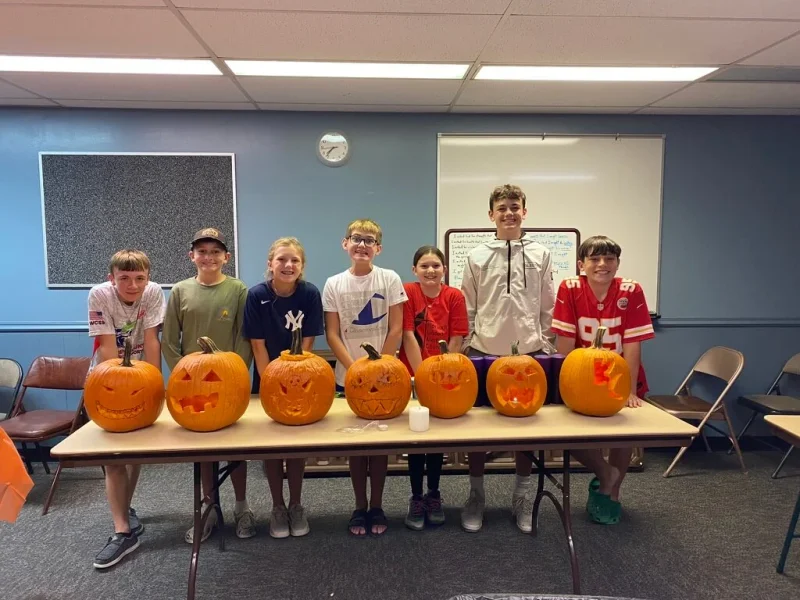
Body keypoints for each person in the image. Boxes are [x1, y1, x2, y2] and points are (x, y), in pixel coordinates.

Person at [460, 184, 556, 533]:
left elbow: (548, 302)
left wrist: (544, 341)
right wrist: (469, 344)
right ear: (491, 215)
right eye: (502, 208)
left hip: (528, 354)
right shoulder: (476, 256)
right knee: (477, 433)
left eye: (515, 207)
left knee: (525, 434)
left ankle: (522, 497)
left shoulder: (542, 253)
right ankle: (476, 496)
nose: (509, 213)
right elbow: (468, 304)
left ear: (524, 212)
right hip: (484, 352)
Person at [552, 235, 654, 525]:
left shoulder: (631, 290)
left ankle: (613, 491)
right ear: (581, 264)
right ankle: (605, 474)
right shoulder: (570, 288)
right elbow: (565, 342)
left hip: (619, 375)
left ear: (617, 263)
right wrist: (565, 385)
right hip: (581, 377)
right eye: (595, 259)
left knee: (624, 434)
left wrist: (630, 390)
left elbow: (633, 344)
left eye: (609, 259)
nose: (602, 264)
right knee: (570, 432)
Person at [162, 227, 254, 543]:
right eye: (202, 251)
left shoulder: (238, 290)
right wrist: (182, 376)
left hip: (228, 385)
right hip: (192, 387)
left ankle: (242, 507)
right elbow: (170, 341)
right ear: (192, 257)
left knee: (235, 450)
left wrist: (236, 375)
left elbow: (245, 337)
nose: (208, 257)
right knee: (203, 452)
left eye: (215, 251)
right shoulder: (179, 291)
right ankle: (209, 508)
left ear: (225, 257)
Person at [323, 218, 407, 536]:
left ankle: (378, 504)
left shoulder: (389, 279)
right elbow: (332, 334)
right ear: (345, 244)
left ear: (378, 248)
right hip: (349, 377)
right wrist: (356, 367)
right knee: (357, 447)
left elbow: (396, 328)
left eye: (369, 240)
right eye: (355, 238)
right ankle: (359, 506)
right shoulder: (334, 284)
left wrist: (380, 364)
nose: (362, 244)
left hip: (385, 377)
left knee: (379, 445)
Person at [88, 249, 166, 568]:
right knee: (114, 455)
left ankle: (126, 509)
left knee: (136, 453)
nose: (132, 285)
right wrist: (118, 391)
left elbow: (151, 342)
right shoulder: (99, 296)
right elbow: (107, 349)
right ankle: (122, 531)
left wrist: (156, 386)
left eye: (139, 278)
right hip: (107, 380)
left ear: (147, 279)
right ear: (112, 278)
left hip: (141, 378)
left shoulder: (154, 294)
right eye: (124, 278)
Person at [242, 237, 324, 539]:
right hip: (267, 378)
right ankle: (277, 505)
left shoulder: (310, 294)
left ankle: (296, 503)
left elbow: (307, 344)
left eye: (295, 261)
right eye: (281, 260)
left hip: (300, 377)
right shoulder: (256, 295)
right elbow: (257, 345)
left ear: (301, 266)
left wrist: (296, 375)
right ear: (270, 263)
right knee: (273, 446)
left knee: (296, 445)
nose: (288, 265)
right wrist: (270, 384)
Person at [398, 245, 468, 530]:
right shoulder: (408, 293)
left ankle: (434, 493)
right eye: (424, 265)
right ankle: (416, 496)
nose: (430, 270)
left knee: (436, 439)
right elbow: (407, 335)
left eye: (436, 266)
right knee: (417, 440)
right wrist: (420, 375)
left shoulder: (454, 297)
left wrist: (442, 371)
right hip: (413, 375)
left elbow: (456, 339)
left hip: (444, 376)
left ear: (444, 270)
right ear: (414, 270)